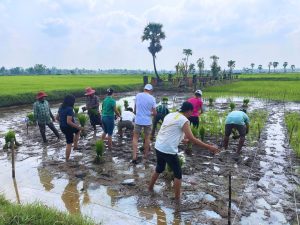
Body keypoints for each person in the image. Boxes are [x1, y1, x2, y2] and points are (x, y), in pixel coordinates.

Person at [148, 102, 219, 200]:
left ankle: (150, 188)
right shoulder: (184, 120)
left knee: (159, 168)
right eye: (192, 112)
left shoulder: (170, 115)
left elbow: (170, 132)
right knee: (178, 174)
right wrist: (209, 147)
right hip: (168, 150)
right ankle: (177, 199)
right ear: (189, 111)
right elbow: (192, 138)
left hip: (159, 146)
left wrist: (183, 139)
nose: (192, 114)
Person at [132, 84, 157, 164]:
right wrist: (149, 113)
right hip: (147, 121)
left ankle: (134, 156)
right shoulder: (152, 98)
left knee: (135, 138)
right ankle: (145, 156)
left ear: (144, 89)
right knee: (147, 138)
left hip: (138, 120)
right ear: (150, 90)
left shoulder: (138, 95)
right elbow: (154, 113)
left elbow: (135, 110)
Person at [57, 95, 83, 161]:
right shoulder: (69, 109)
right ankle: (67, 159)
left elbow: (57, 118)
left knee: (77, 131)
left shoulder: (61, 107)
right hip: (68, 128)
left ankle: (75, 147)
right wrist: (78, 127)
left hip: (62, 127)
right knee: (69, 143)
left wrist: (62, 122)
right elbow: (69, 122)